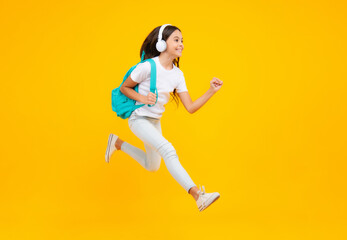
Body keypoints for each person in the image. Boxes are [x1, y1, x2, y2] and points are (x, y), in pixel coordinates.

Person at [105, 24, 223, 212]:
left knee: (152, 166)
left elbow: (190, 108)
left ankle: (118, 143)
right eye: (176, 40)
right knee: (168, 150)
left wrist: (211, 91)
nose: (181, 44)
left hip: (154, 122)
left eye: (182, 40)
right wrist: (143, 98)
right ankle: (198, 195)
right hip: (139, 119)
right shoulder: (147, 67)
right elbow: (124, 88)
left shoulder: (178, 74)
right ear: (162, 44)